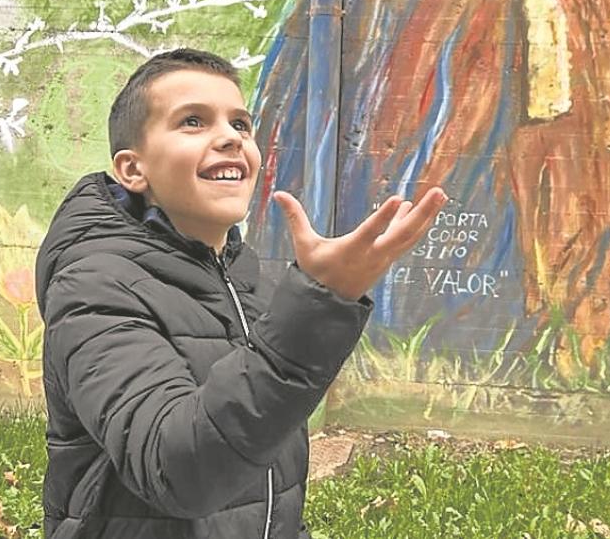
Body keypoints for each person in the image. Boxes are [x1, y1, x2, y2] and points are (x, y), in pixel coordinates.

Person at [33, 47, 447, 538]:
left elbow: (264, 475)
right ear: (133, 170)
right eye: (192, 121)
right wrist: (319, 305)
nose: (231, 137)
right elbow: (178, 473)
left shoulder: (248, 280)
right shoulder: (93, 286)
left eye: (240, 124)